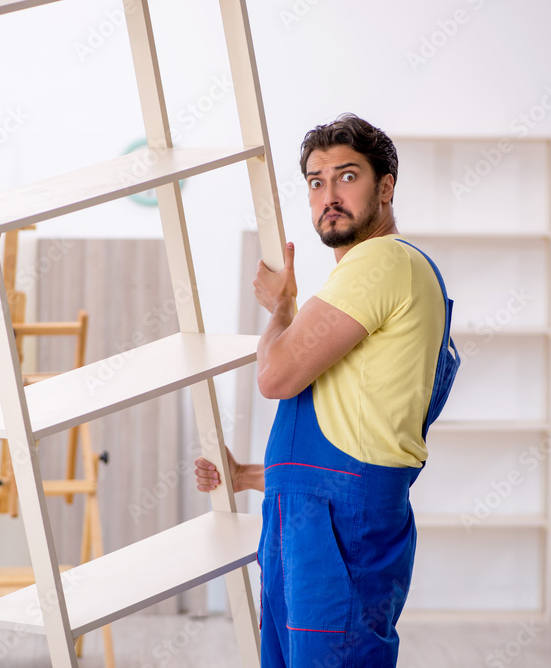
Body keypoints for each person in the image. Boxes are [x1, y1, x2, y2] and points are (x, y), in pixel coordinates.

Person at [195, 113, 451, 666]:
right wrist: (249, 477)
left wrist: (281, 311)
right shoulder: (367, 279)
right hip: (310, 526)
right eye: (316, 181)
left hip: (335, 540)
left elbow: (274, 377)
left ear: (385, 187)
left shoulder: (381, 261)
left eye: (347, 176)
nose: (328, 195)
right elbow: (358, 440)